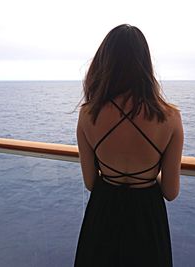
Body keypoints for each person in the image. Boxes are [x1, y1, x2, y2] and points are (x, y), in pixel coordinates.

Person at [74, 24, 184, 267]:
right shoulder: (170, 118)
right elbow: (170, 191)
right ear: (145, 64)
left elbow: (91, 182)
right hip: (147, 216)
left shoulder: (87, 115)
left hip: (103, 212)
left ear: (104, 63)